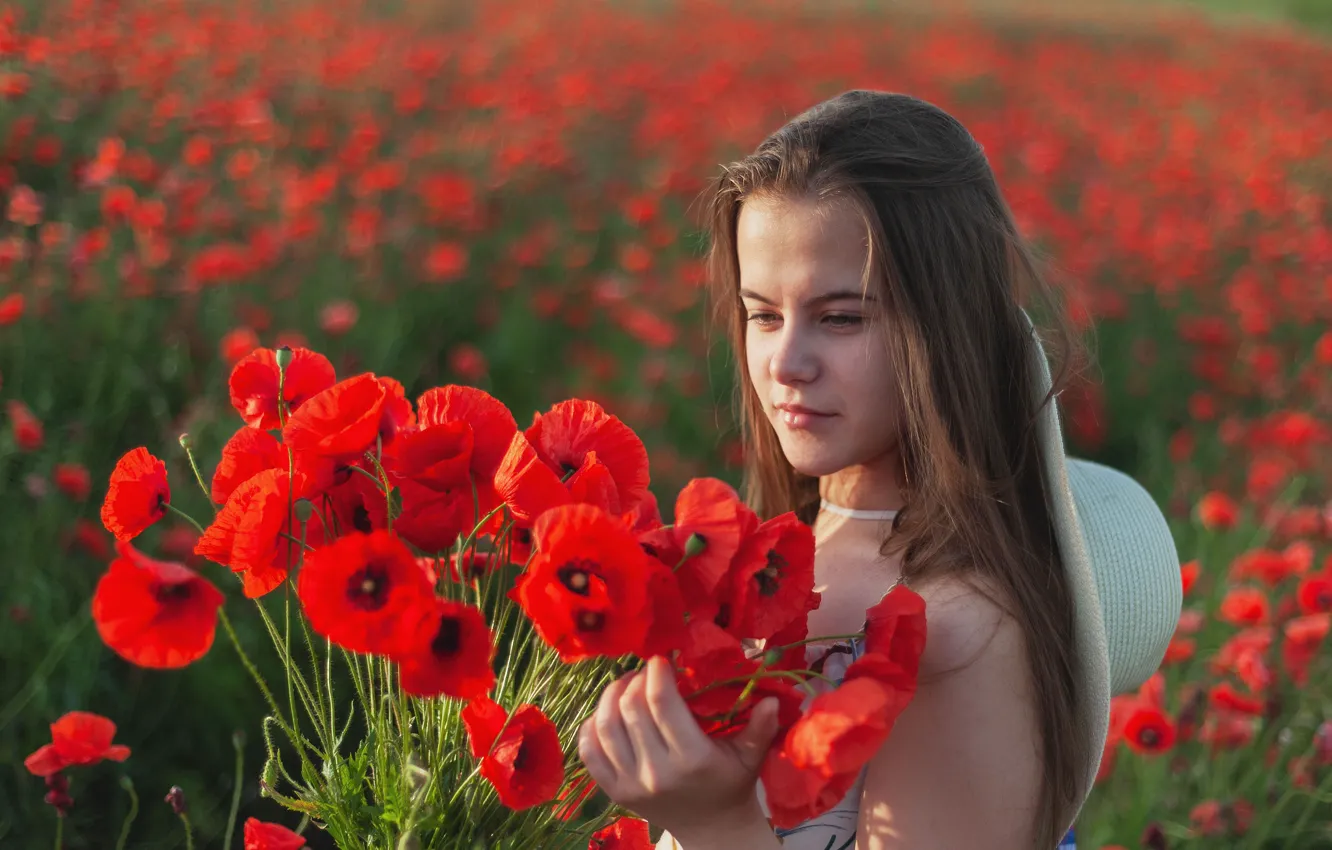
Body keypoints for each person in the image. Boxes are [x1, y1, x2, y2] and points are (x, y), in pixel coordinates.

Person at [576, 90, 1182, 850]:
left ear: (943, 325)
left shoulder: (963, 629)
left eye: (841, 318)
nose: (785, 365)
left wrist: (713, 823)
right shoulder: (780, 555)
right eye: (762, 314)